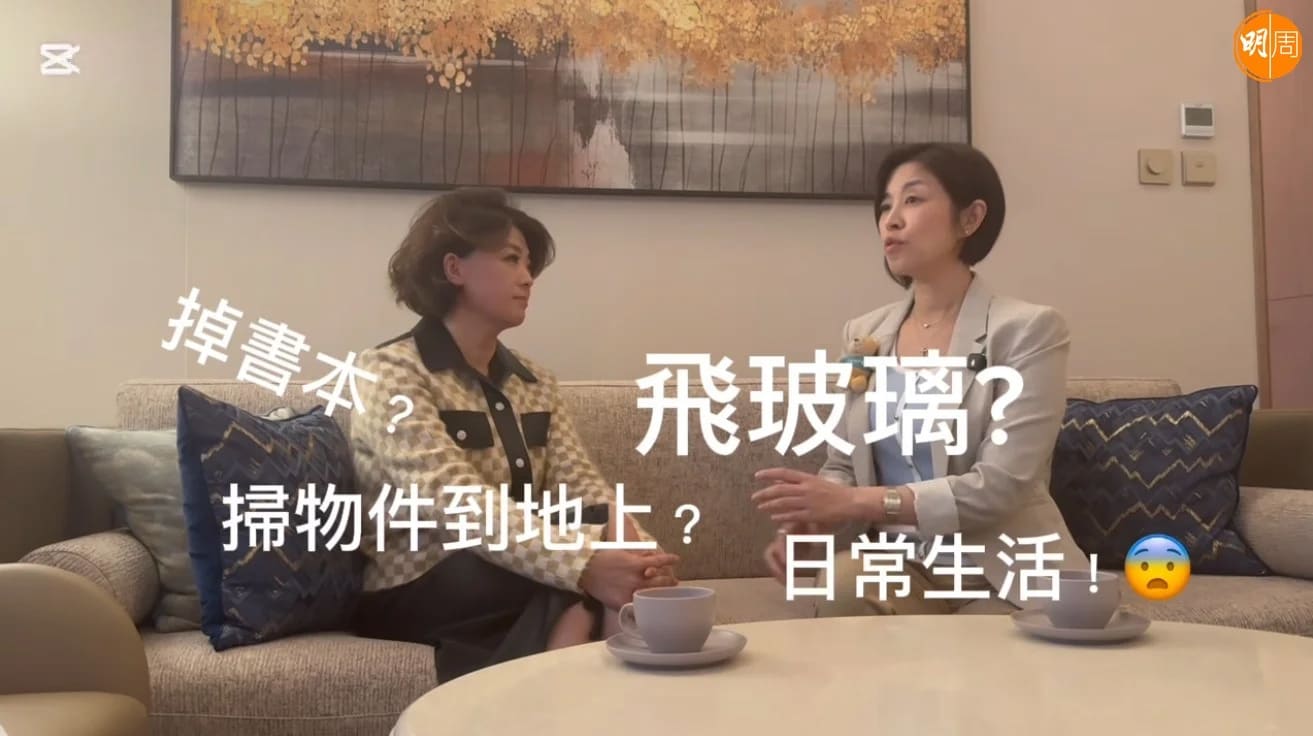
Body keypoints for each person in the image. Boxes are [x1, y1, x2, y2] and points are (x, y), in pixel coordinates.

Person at [350, 187, 679, 682]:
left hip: (515, 569)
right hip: (415, 582)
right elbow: (454, 501)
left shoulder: (535, 382)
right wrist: (586, 562)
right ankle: (604, 685)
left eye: (529, 265)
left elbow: (585, 490)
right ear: (454, 268)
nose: (527, 278)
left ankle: (573, 693)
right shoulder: (389, 372)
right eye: (510, 259)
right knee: (572, 580)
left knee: (596, 557)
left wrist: (643, 559)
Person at [752, 142, 1087, 616]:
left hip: (1001, 575)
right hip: (902, 568)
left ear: (970, 218)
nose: (890, 220)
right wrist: (813, 525)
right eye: (885, 206)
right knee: (844, 581)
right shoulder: (863, 336)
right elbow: (844, 464)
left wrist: (854, 502)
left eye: (912, 200)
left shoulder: (1028, 330)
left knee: (990, 646)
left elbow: (1000, 484)